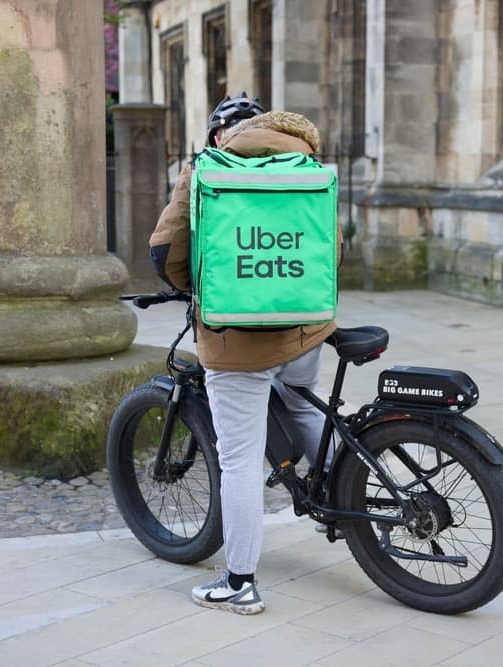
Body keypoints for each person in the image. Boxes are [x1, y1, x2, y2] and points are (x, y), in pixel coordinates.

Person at [148, 93, 341, 615]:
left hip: (235, 341)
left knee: (236, 461)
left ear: (218, 136)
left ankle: (239, 583)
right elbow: (331, 249)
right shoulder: (306, 165)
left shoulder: (204, 170)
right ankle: (343, 503)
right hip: (303, 325)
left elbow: (166, 252)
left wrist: (197, 289)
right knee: (303, 403)